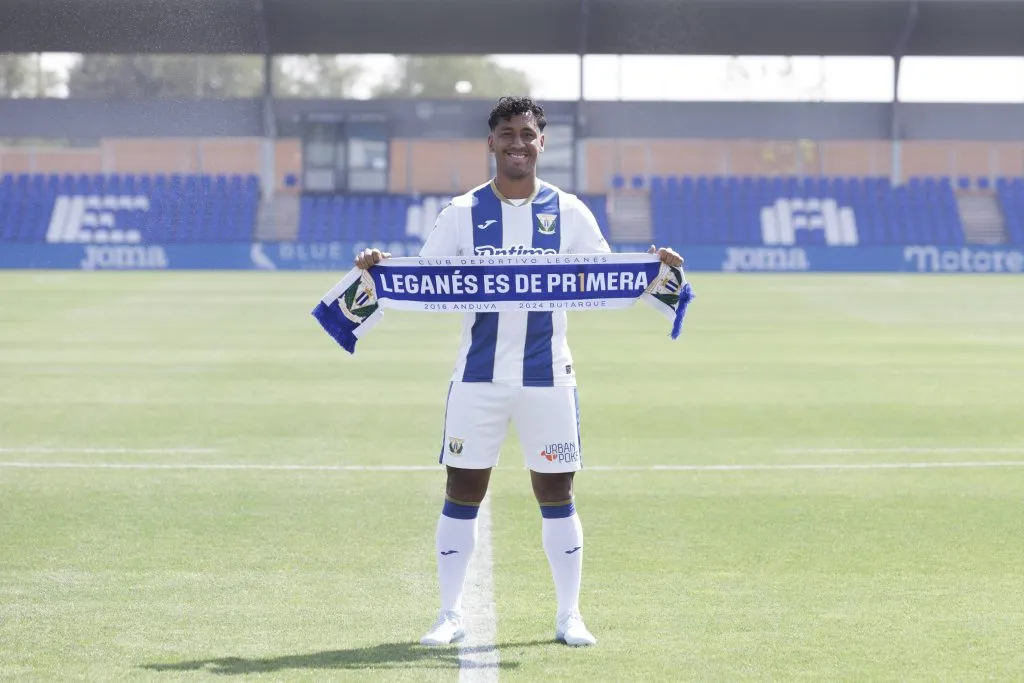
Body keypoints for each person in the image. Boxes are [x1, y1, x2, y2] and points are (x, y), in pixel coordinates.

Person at [354, 96, 684, 648]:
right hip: (477, 378)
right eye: (507, 133)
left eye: (527, 134)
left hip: (548, 376)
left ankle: (569, 615)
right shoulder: (460, 213)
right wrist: (376, 269)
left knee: (556, 490)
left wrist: (655, 270)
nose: (517, 143)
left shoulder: (570, 211)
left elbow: (606, 280)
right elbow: (423, 278)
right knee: (463, 487)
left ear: (541, 142)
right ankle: (449, 614)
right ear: (491, 142)